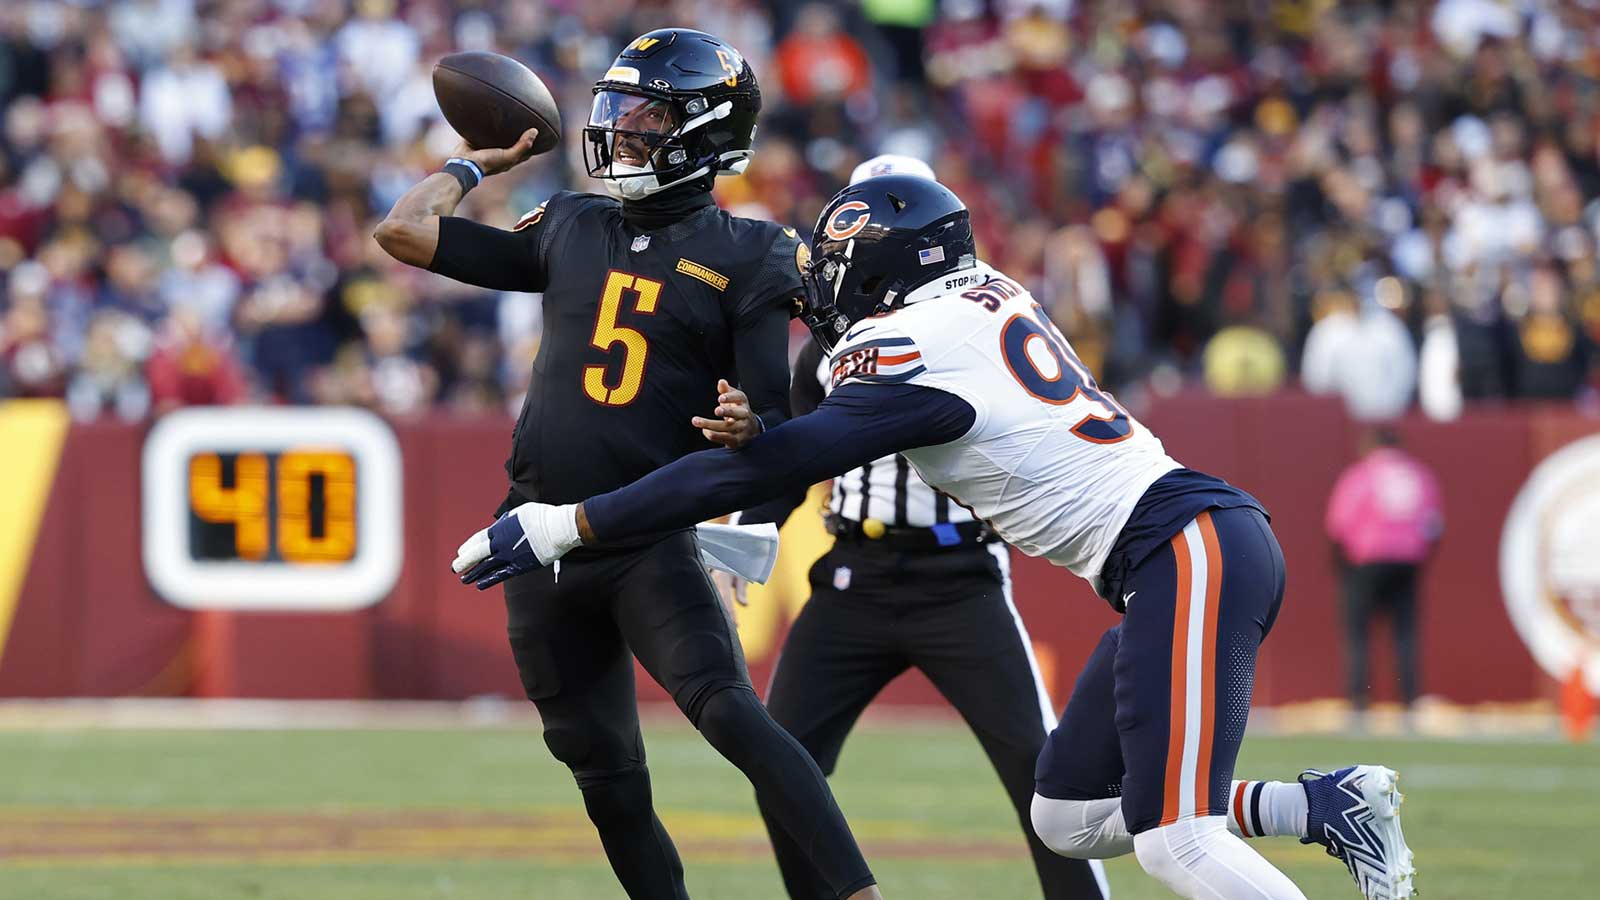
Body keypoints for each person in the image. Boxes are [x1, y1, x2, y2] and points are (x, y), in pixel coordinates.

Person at [453, 176, 1419, 900]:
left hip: (1184, 546)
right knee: (1066, 815)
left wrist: (569, 521)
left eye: (840, 274)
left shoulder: (910, 348)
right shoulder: (983, 293)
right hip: (1170, 559)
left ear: (884, 271)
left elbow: (764, 468)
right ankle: (1320, 807)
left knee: (1177, 840)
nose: (824, 295)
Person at [376, 29, 882, 900]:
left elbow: (774, 413)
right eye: (620, 109)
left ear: (704, 131)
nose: (623, 128)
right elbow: (403, 232)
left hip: (645, 537)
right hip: (536, 539)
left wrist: (747, 425)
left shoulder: (750, 251)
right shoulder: (572, 223)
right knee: (606, 780)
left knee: (733, 717)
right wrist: (471, 165)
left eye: (648, 115)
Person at [725, 157, 1109, 900]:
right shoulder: (829, 350)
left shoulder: (978, 323)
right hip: (853, 576)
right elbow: (791, 461)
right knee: (782, 764)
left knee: (1043, 778)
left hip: (961, 581)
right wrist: (745, 536)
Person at [1325, 428, 1443, 714]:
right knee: (1405, 632)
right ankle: (1409, 698)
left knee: (1358, 632)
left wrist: (1340, 566)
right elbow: (1434, 526)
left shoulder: (1361, 475)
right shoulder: (1419, 476)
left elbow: (1339, 525)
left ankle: (1359, 699)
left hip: (1366, 560)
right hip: (1408, 560)